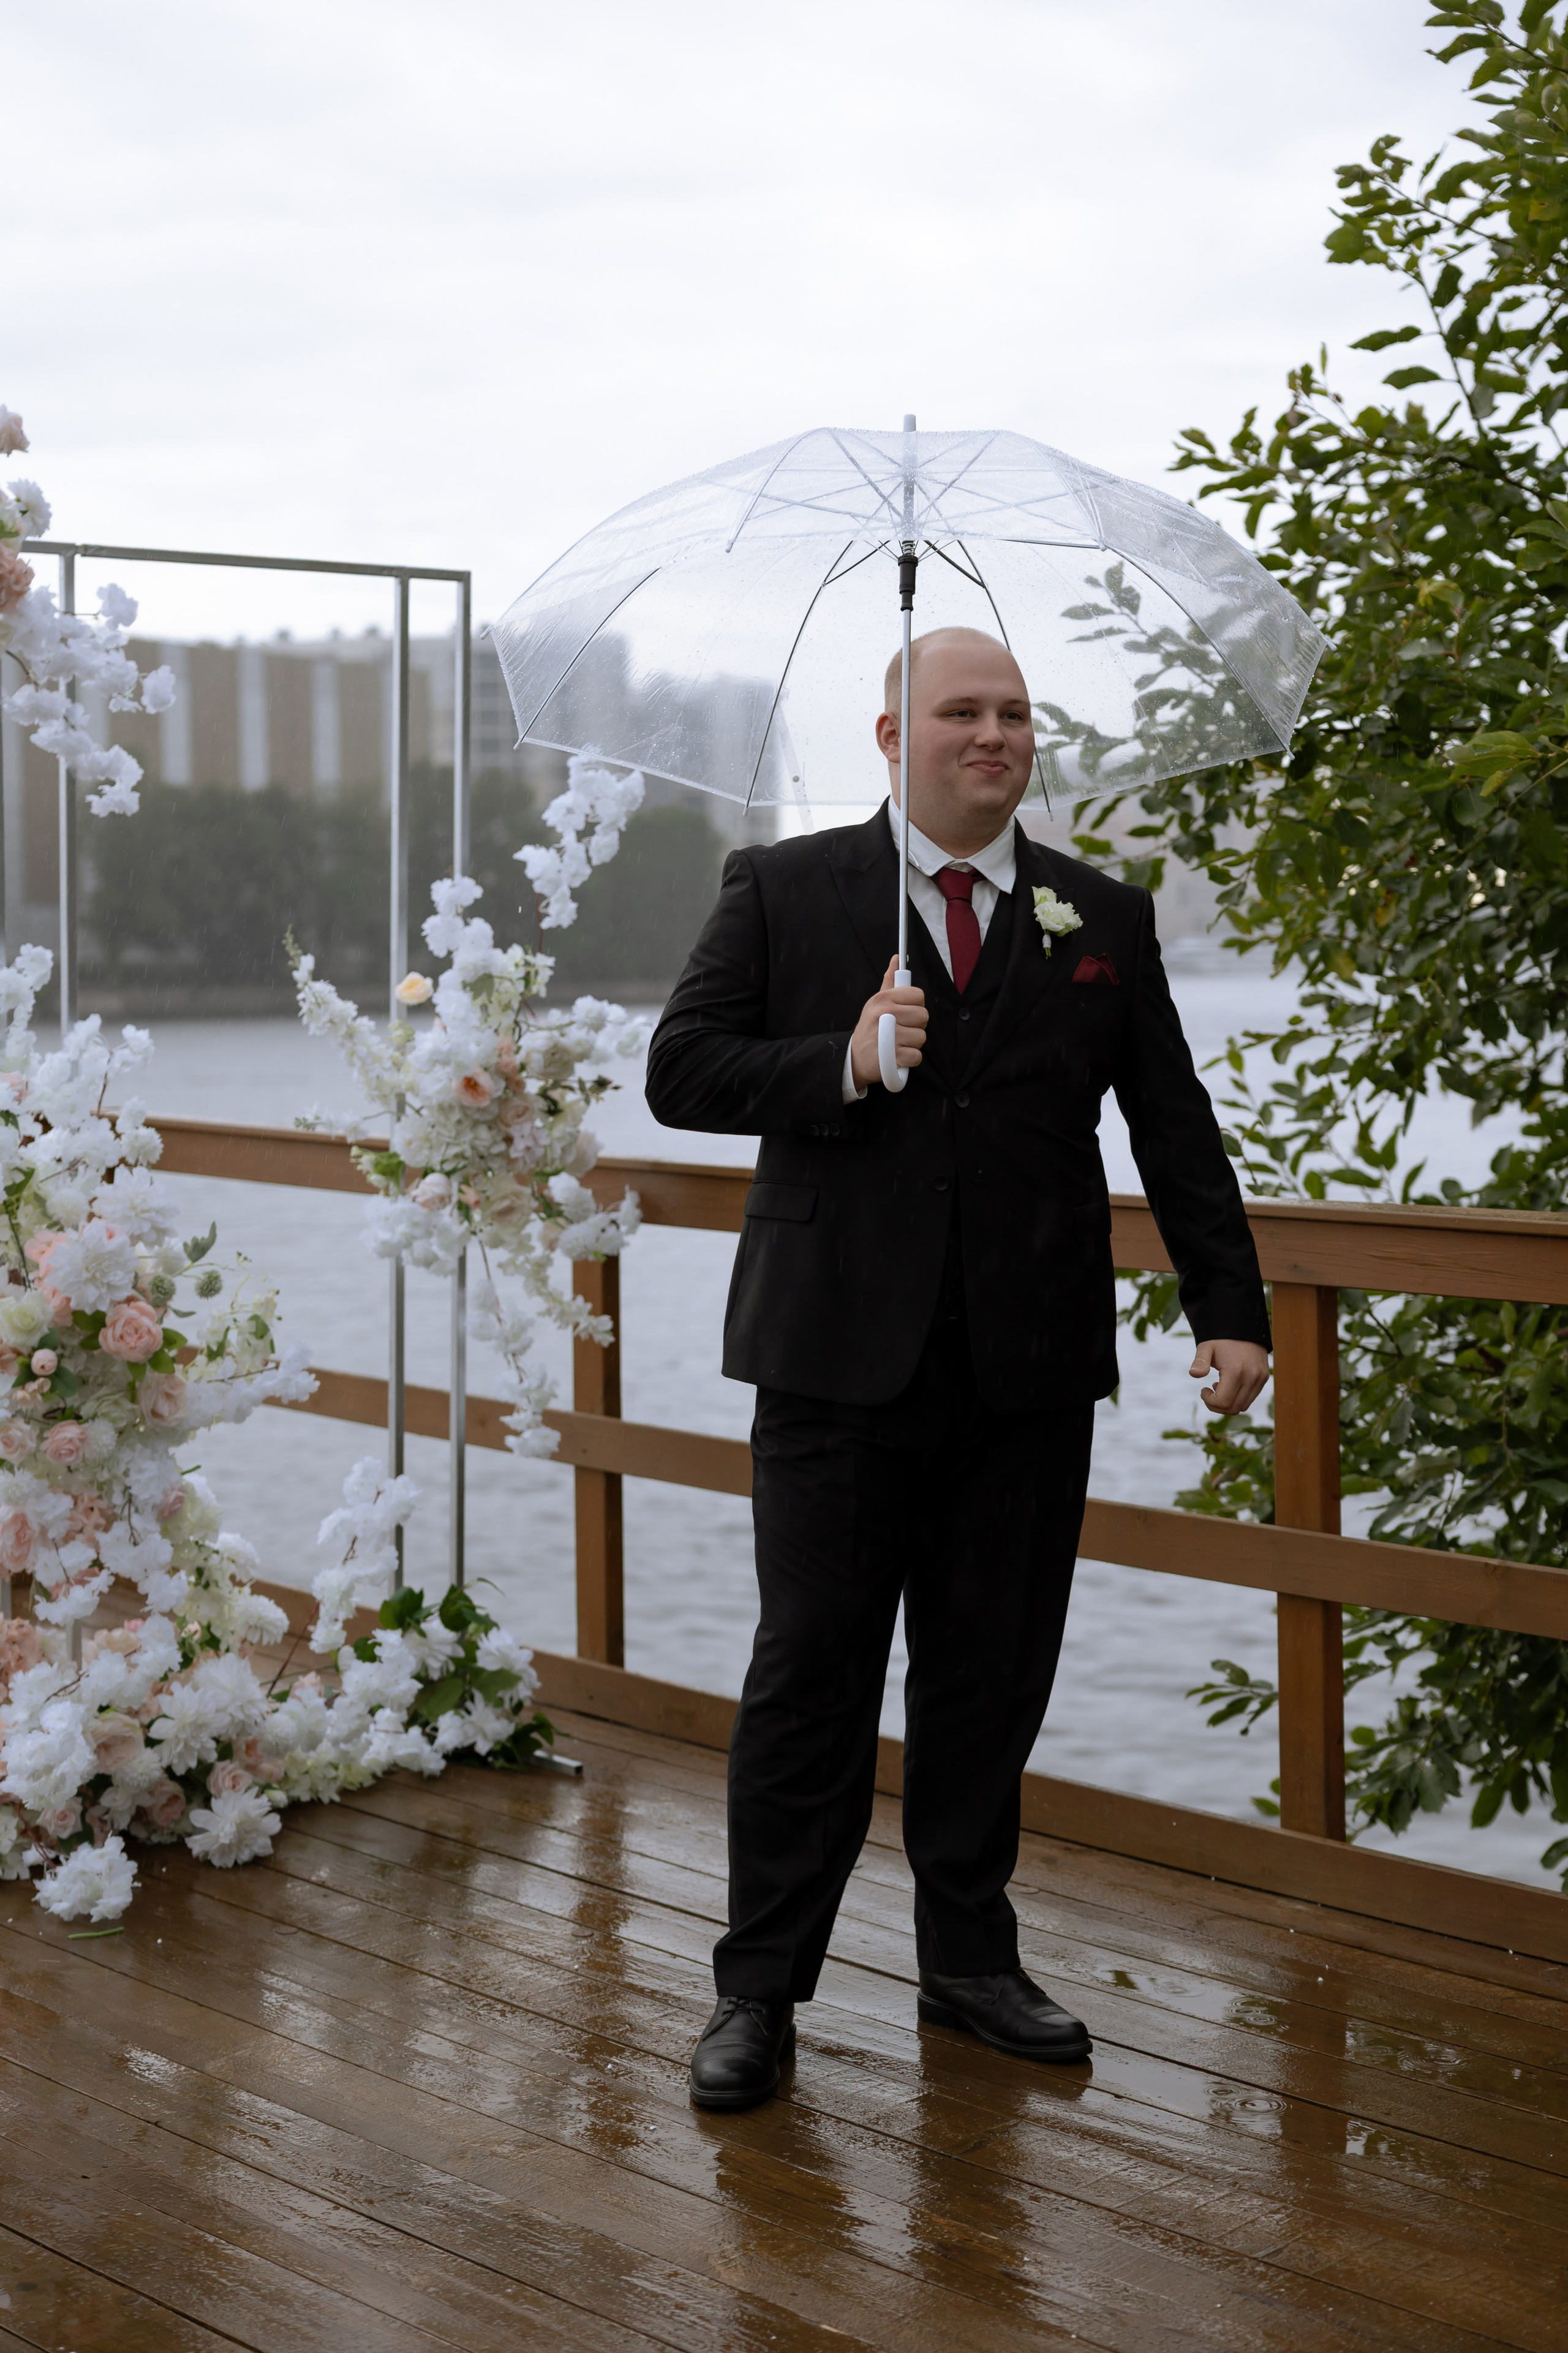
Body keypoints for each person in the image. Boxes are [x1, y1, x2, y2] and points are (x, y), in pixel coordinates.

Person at [645, 626, 1270, 2112]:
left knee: (992, 1674)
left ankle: (966, 1961)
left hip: (1030, 1362)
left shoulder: (1097, 911)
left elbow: (1170, 1124)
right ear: (888, 736)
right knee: (810, 1678)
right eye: (958, 712)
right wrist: (842, 1061)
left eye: (1012, 713)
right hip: (830, 1357)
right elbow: (682, 1069)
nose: (991, 735)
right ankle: (758, 1989)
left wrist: (1225, 1305)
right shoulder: (786, 889)